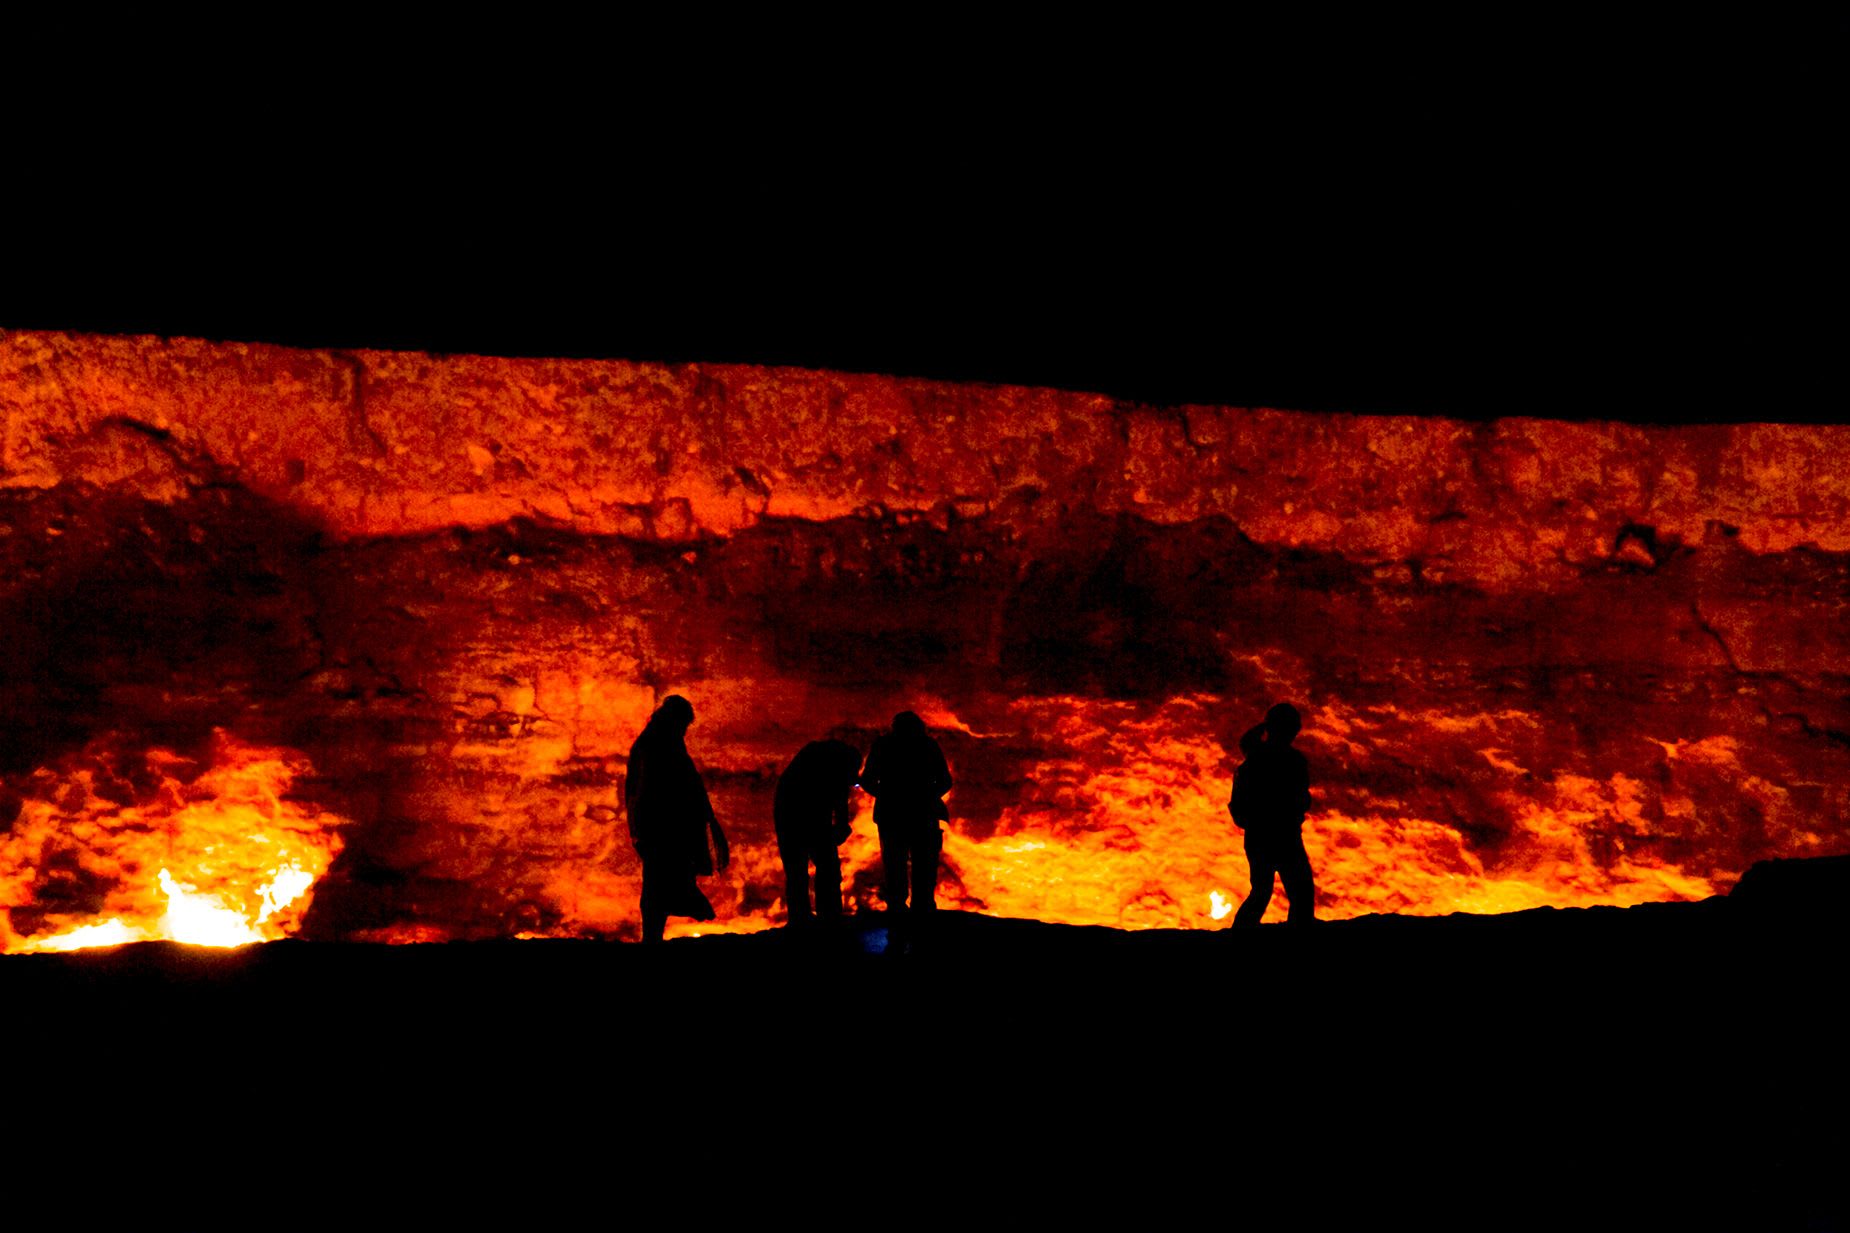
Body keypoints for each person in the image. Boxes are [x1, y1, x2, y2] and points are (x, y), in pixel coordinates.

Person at [625, 695, 729, 943]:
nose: (684, 731)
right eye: (683, 725)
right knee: (657, 885)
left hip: (659, 827)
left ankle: (653, 937)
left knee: (659, 883)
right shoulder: (658, 746)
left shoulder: (656, 743)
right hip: (661, 828)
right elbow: (653, 788)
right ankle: (652, 938)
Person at [858, 711, 952, 936]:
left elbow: (867, 780)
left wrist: (888, 795)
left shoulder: (883, 746)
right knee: (924, 864)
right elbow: (945, 781)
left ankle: (898, 913)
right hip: (923, 814)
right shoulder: (928, 746)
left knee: (895, 863)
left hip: (892, 815)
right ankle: (923, 913)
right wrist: (927, 796)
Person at [1229, 702, 1315, 927]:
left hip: (1259, 837)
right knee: (1300, 892)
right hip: (1284, 836)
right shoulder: (1292, 761)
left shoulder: (1254, 759)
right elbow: (1300, 798)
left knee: (1262, 893)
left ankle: (1240, 935)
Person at [773, 738, 861, 927]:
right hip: (803, 815)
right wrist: (841, 824)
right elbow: (839, 795)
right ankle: (828, 917)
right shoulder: (832, 767)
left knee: (797, 871)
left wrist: (839, 824)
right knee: (826, 867)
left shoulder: (814, 758)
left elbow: (839, 793)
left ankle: (801, 918)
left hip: (789, 814)